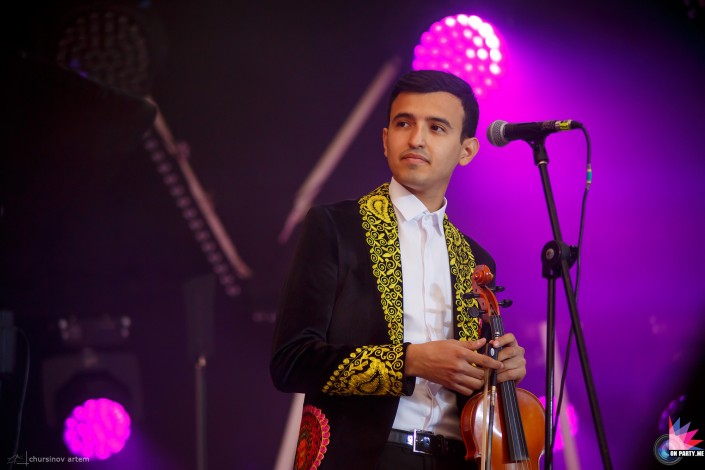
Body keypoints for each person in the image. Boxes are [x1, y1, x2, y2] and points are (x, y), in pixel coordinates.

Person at [270, 70, 527, 469]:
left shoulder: (476, 260)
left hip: (456, 459)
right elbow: (291, 362)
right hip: (363, 459)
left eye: (436, 127)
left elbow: (472, 390)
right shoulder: (336, 227)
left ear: (467, 150)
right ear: (386, 138)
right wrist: (410, 361)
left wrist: (500, 371)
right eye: (404, 123)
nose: (416, 139)